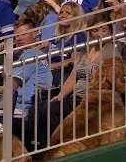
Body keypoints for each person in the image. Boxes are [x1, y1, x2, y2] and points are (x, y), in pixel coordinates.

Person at [25, 12, 121, 150]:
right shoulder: (86, 49)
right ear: (89, 32)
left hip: (92, 100)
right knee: (37, 108)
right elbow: (73, 75)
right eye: (95, 30)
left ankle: (57, 146)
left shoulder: (112, 53)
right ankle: (40, 148)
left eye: (104, 30)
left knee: (51, 110)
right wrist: (61, 95)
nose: (99, 34)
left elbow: (109, 81)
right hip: (75, 98)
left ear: (110, 30)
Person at [0, 18, 53, 113]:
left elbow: (11, 85)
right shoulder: (33, 53)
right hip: (25, 105)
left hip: (23, 108)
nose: (19, 38)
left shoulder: (32, 54)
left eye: (24, 34)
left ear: (34, 34)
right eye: (17, 35)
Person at [45, 2, 87, 86]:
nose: (62, 15)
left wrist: (49, 66)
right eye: (61, 12)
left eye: (68, 13)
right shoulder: (56, 39)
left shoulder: (78, 36)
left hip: (61, 76)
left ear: (76, 17)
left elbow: (75, 60)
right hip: (48, 75)